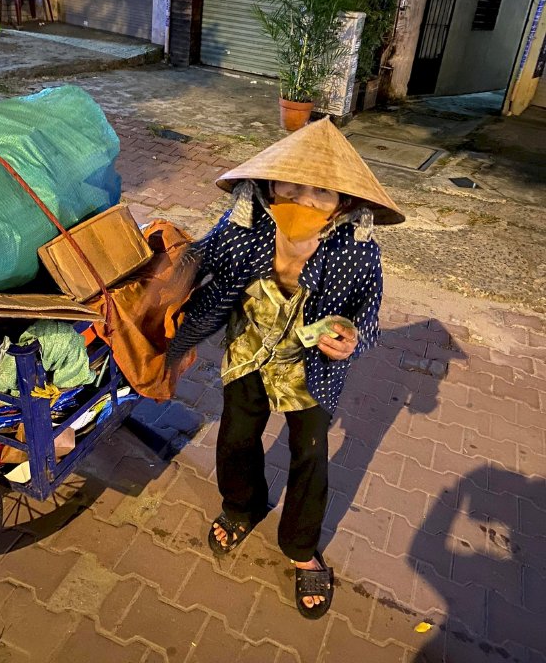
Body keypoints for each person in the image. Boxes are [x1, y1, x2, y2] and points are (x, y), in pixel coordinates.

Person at [167, 117, 404, 619]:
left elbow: (368, 319)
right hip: (249, 354)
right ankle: (242, 504)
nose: (303, 198)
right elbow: (196, 258)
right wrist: (162, 275)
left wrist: (353, 341)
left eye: (321, 190)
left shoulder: (359, 256)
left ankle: (300, 547)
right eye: (290, 183)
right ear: (266, 184)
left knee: (310, 453)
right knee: (235, 435)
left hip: (311, 371)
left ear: (344, 202)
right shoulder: (242, 232)